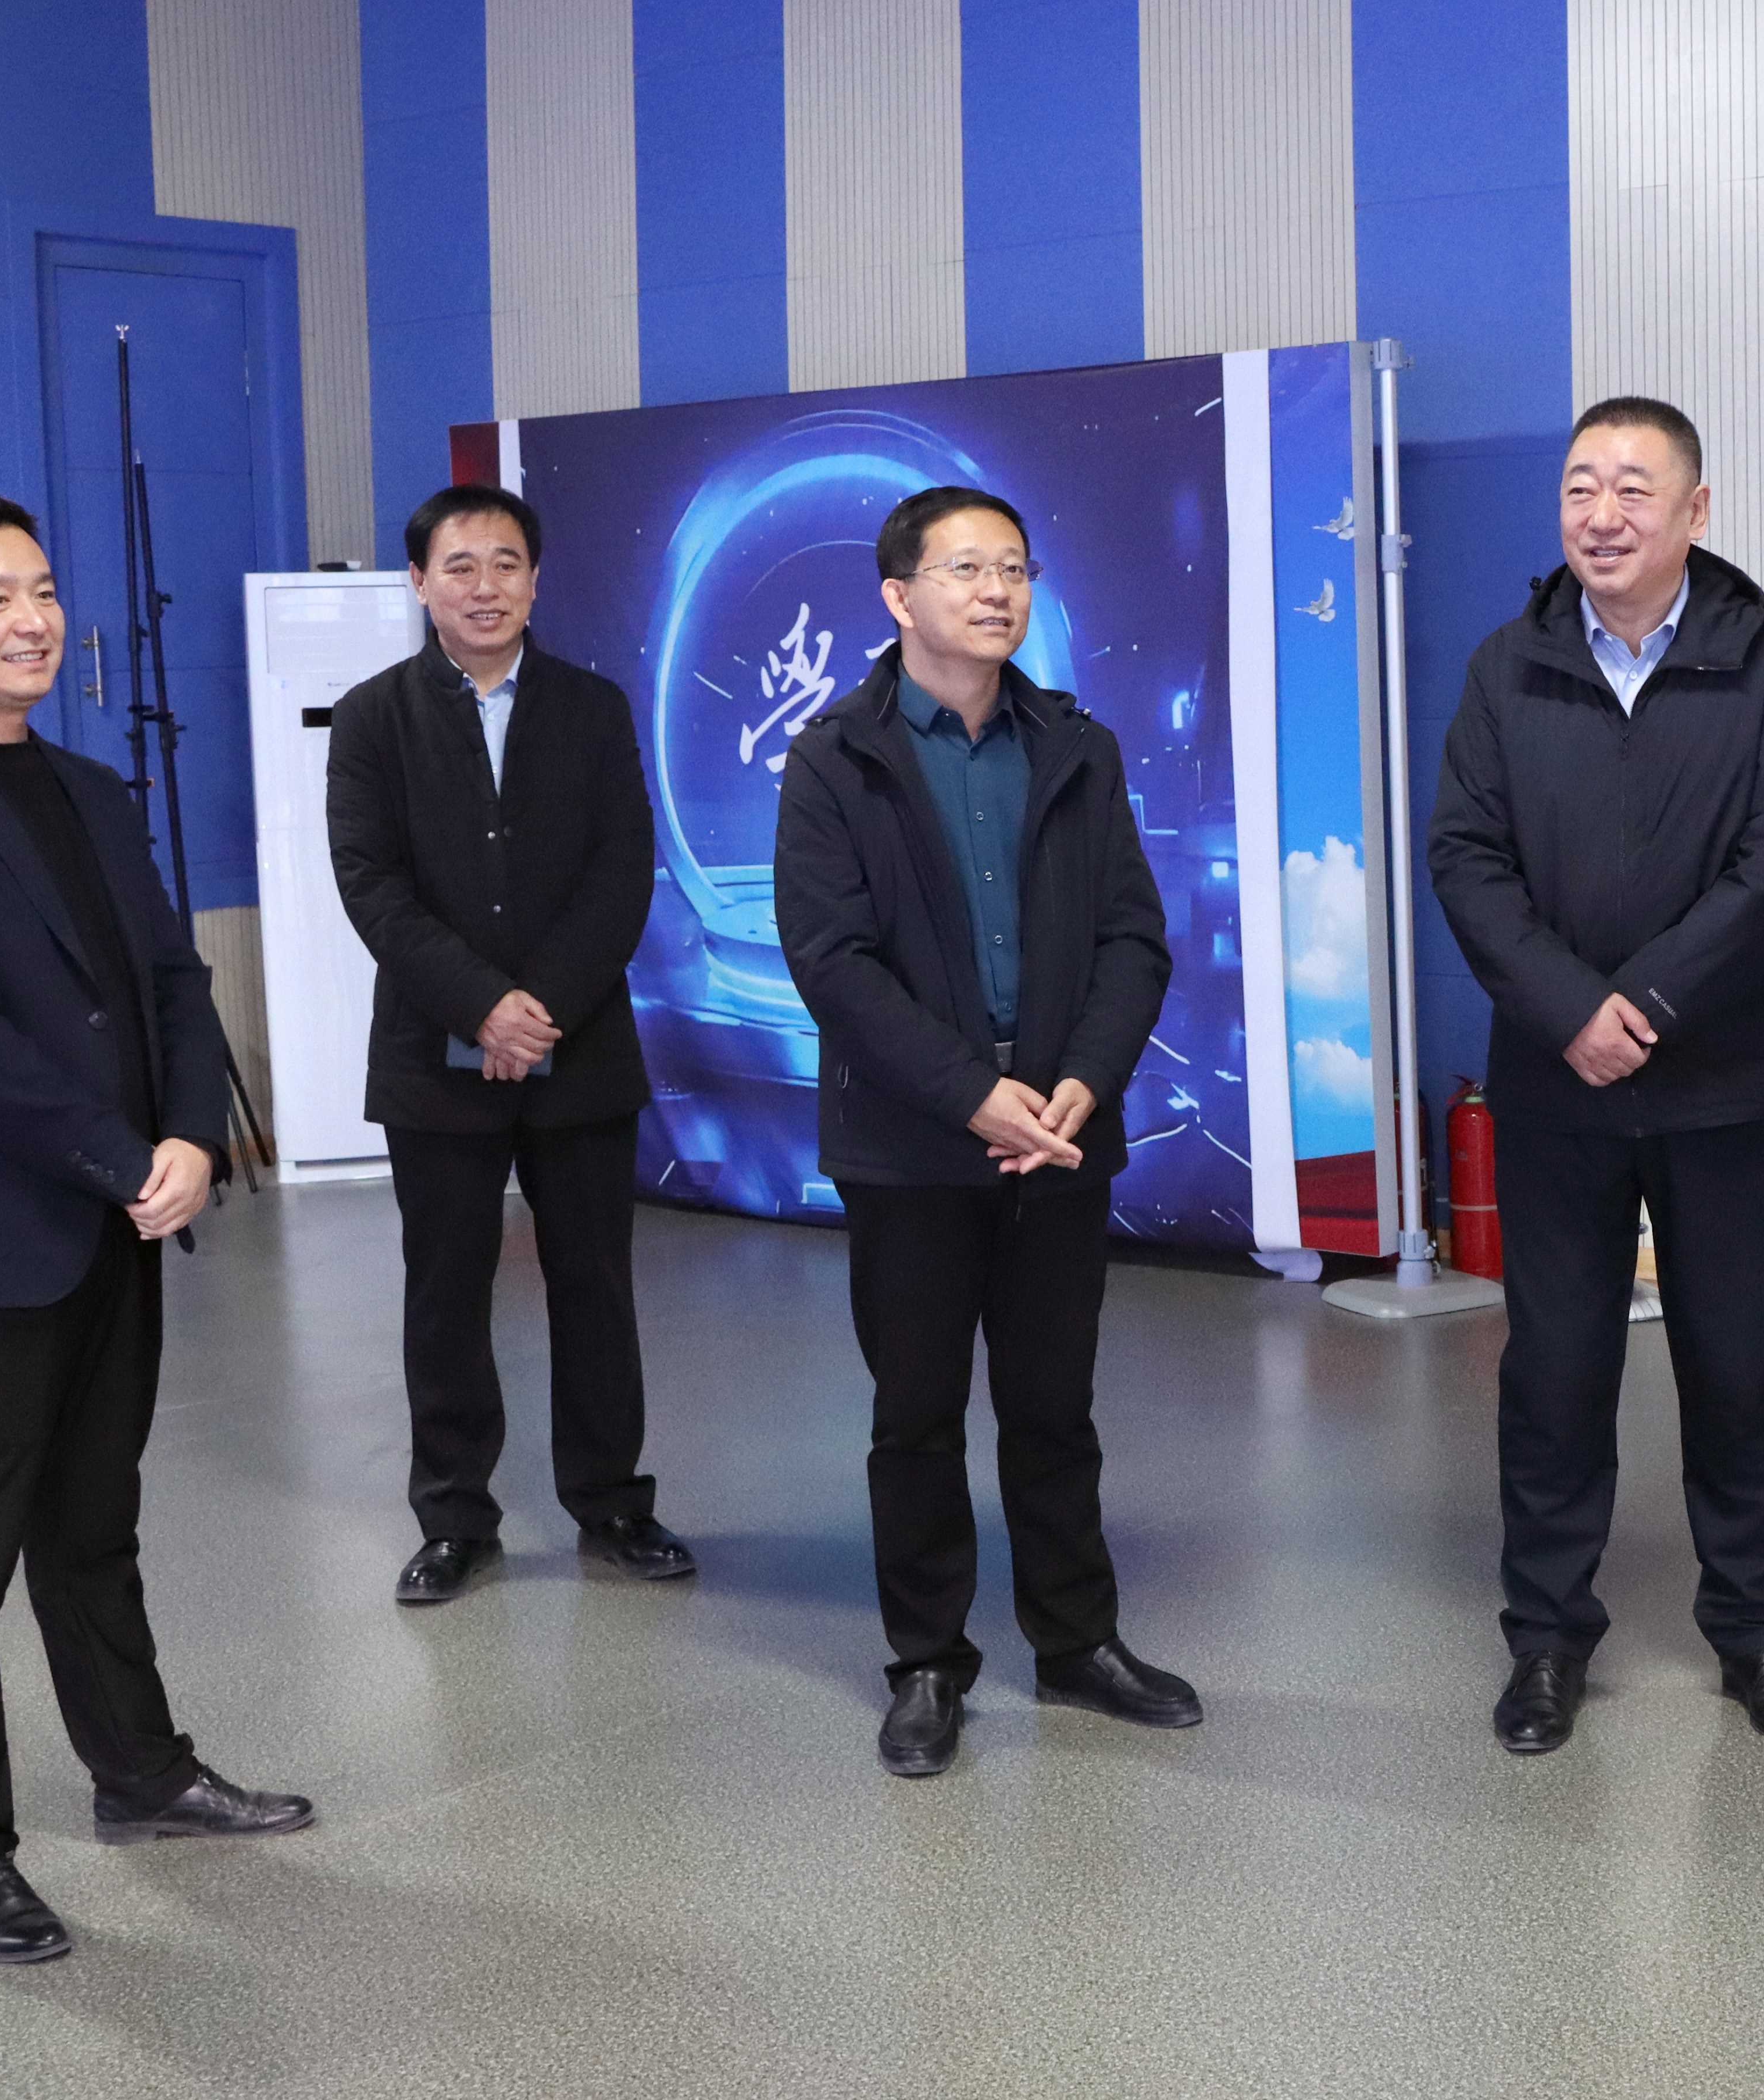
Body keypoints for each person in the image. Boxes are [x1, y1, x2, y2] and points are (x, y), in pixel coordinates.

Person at [0, 489, 314, 1965]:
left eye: (41, 589)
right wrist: (121, 1157)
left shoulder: (91, 788)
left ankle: (141, 1772)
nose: (34, 619)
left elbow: (170, 980)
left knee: (94, 1527)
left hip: (114, 1225)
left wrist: (193, 1135)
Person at [1427, 395, 1764, 1756]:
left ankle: (1757, 1634)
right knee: (1553, 1369)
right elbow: (1465, 856)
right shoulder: (1508, 666)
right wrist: (1569, 1010)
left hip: (1718, 1083)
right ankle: (1546, 1640)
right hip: (1556, 1088)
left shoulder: (1763, 660)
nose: (1599, 515)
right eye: (1578, 488)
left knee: (1735, 1367)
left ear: (1694, 510)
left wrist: (1645, 1003)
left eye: (1632, 489)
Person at [773, 484, 1195, 1776]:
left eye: (1013, 567)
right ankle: (925, 1662)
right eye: (966, 569)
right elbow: (832, 961)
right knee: (915, 1413)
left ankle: (1077, 1641)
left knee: (1054, 1407)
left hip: (1060, 1130)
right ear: (899, 597)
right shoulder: (834, 757)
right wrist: (969, 1094)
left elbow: (1133, 935)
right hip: (912, 1142)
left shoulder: (1075, 745)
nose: (997, 590)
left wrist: (1083, 1082)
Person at [328, 484, 692, 1605]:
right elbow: (371, 885)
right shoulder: (372, 718)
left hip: (578, 1050)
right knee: (444, 1292)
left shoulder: (592, 707)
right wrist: (483, 1007)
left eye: (505, 564)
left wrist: (539, 1009)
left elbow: (622, 870)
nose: (484, 587)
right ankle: (454, 1519)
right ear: (419, 582)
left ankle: (613, 1503)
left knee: (595, 1287)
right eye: (460, 566)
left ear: (536, 581)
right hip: (432, 1053)